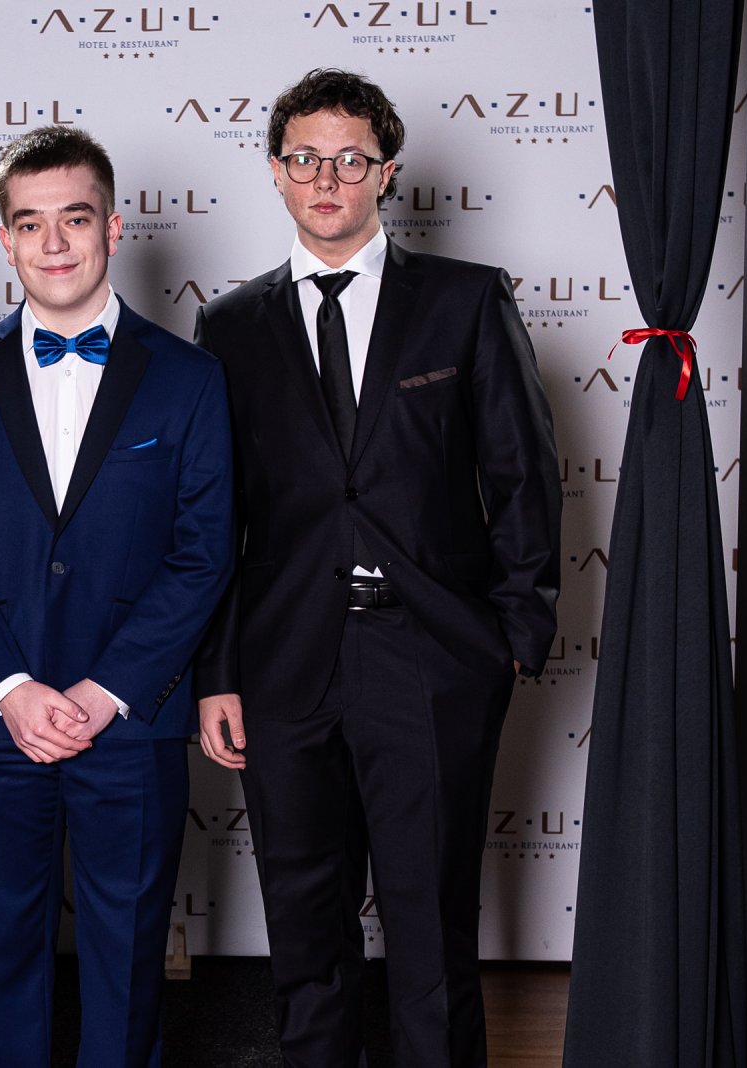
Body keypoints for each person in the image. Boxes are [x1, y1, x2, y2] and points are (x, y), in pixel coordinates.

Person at [193, 68, 562, 1067]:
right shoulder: (229, 326)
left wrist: (513, 636)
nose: (327, 178)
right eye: (305, 158)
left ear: (386, 171)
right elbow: (215, 517)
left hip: (432, 657)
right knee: (303, 930)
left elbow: (521, 475)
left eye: (349, 159)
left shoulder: (466, 300)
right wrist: (218, 672)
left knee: (431, 926)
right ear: (275, 172)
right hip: (283, 665)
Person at [0, 126, 236, 1068]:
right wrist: (11, 689)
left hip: (131, 723)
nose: (53, 242)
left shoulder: (191, 379)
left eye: (75, 218)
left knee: (127, 961)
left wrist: (106, 692)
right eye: (30, 223)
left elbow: (204, 554)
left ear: (114, 226)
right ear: (5, 239)